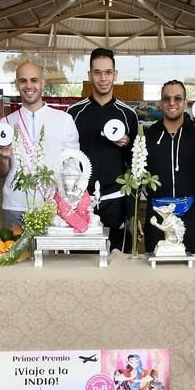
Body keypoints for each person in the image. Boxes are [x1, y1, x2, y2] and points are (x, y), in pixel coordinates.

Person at [67, 47, 139, 252]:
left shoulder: (128, 115)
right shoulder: (73, 113)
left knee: (117, 265)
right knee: (82, 265)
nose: (103, 78)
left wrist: (131, 210)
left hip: (115, 201)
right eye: (97, 72)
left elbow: (135, 166)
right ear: (90, 76)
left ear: (115, 75)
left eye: (108, 72)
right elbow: (66, 161)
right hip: (81, 202)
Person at [0, 60, 79, 229]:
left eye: (34, 80)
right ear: (17, 84)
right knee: (16, 255)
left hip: (52, 207)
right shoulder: (7, 122)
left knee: (49, 256)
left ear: (42, 82)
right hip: (15, 207)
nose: (29, 85)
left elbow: (73, 167)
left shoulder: (64, 120)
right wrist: (3, 158)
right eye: (23, 81)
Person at [144, 80, 195, 254]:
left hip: (189, 215)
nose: (172, 103)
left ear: (186, 103)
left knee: (188, 264)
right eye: (167, 98)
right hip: (156, 215)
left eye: (177, 98)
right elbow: (137, 175)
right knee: (155, 269)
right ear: (160, 103)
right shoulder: (148, 136)